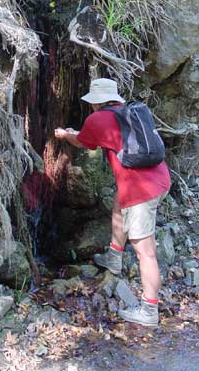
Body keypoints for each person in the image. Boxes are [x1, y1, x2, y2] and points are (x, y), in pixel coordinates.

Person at [54, 78, 171, 327]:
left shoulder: (98, 119)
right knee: (119, 203)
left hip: (142, 191)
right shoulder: (129, 111)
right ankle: (114, 259)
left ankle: (149, 311)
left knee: (145, 252)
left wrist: (65, 135)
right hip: (159, 178)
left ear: (96, 102)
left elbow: (85, 142)